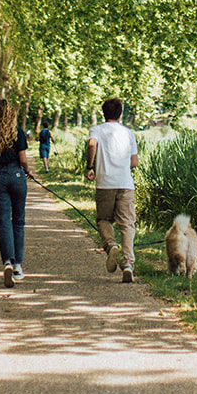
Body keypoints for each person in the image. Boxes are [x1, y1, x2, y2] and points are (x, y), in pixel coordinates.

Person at [0, 97, 34, 288]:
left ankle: (7, 262)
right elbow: (23, 159)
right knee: (18, 220)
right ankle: (18, 266)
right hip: (17, 176)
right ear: (11, 115)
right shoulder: (17, 133)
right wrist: (27, 171)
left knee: (3, 222)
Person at [85, 96, 139, 283]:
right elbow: (134, 163)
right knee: (127, 224)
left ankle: (110, 245)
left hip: (105, 183)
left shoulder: (97, 130)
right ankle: (128, 264)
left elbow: (92, 144)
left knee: (104, 219)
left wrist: (89, 166)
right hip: (125, 183)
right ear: (120, 113)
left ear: (103, 112)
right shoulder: (128, 133)